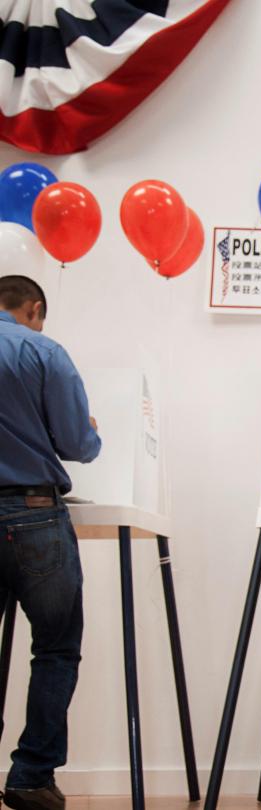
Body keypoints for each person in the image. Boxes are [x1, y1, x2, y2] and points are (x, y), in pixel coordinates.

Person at [0, 275, 100, 810]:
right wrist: (90, 429)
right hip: (34, 514)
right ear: (34, 308)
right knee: (56, 648)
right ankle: (30, 776)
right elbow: (76, 443)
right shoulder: (43, 351)